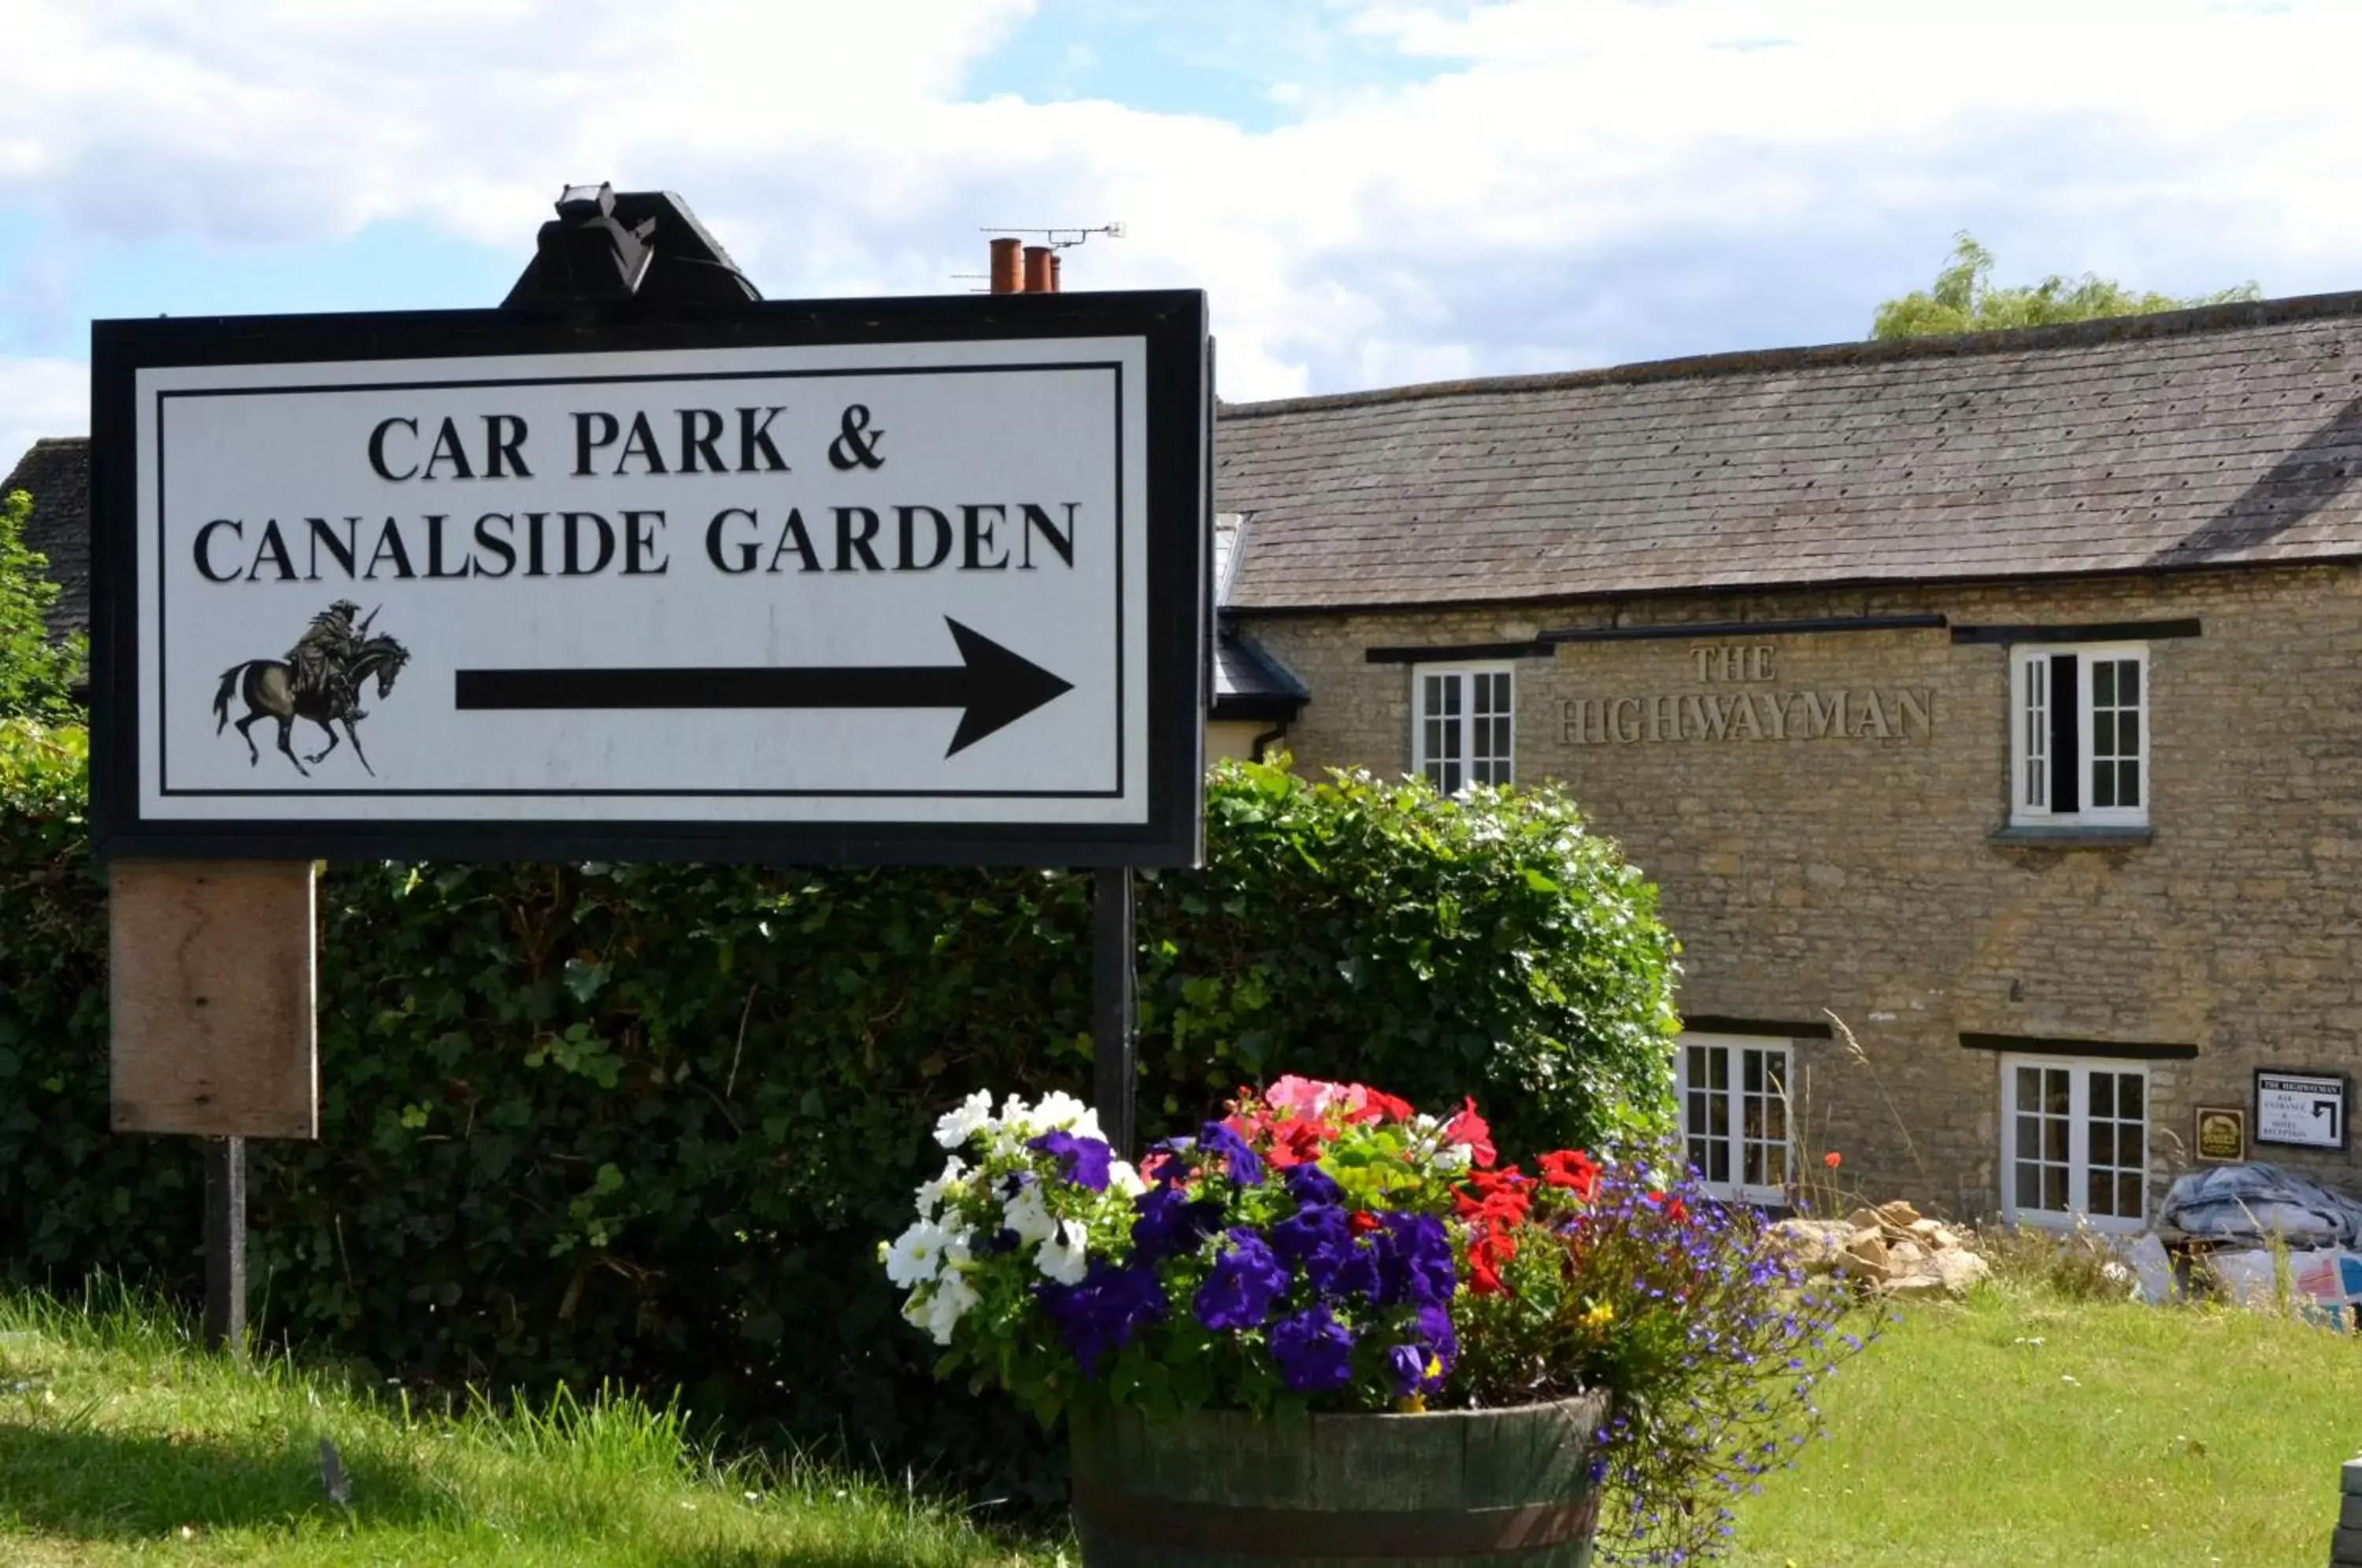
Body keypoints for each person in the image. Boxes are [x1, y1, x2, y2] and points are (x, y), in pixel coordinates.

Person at [287, 601, 363, 714]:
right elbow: (345, 650)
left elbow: (346, 650)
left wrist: (359, 636)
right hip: (313, 653)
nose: (353, 615)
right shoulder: (336, 624)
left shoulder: (339, 625)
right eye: (351, 612)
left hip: (322, 653)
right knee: (337, 676)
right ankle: (347, 708)